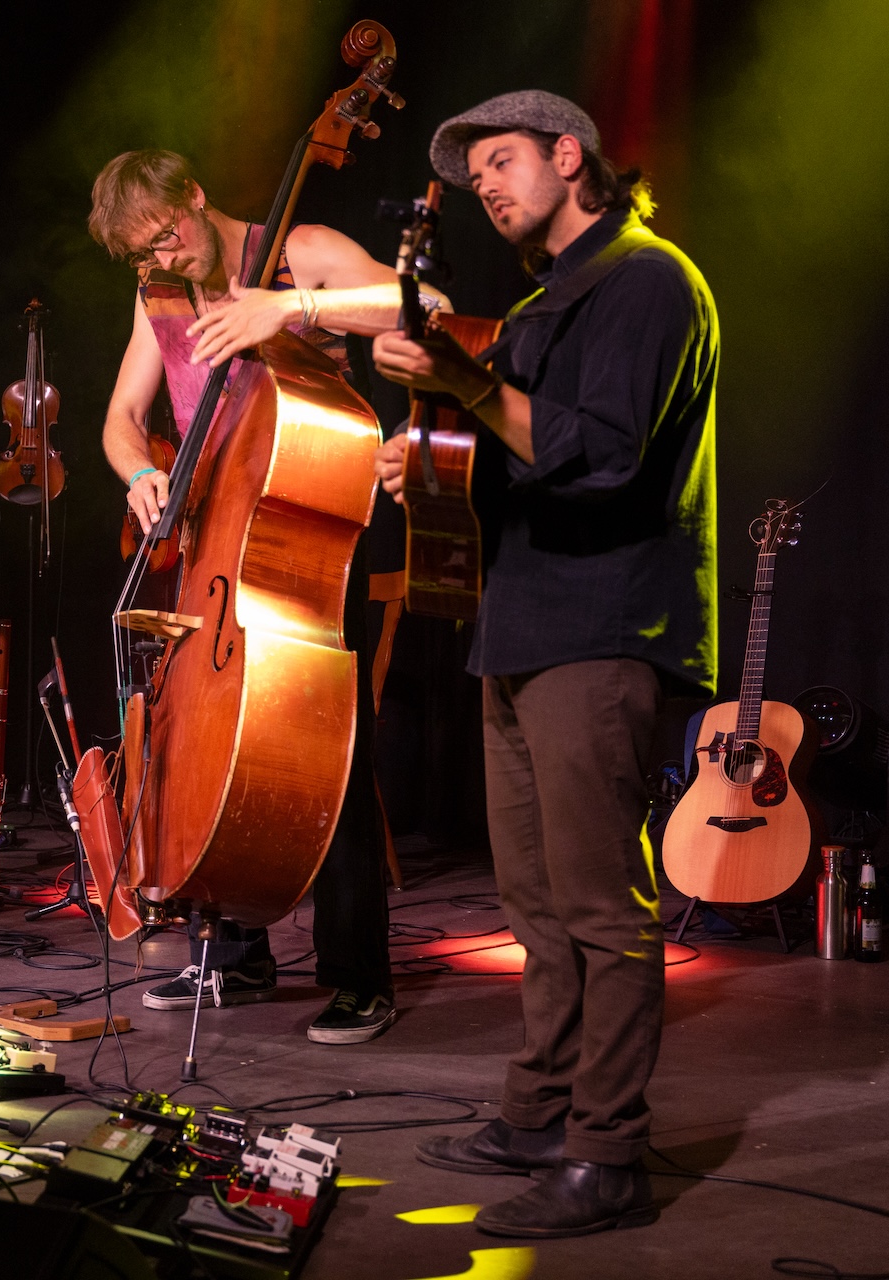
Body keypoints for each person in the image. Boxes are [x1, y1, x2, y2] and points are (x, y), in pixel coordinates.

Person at [373, 92, 717, 1238]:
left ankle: (607, 1154)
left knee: (602, 904)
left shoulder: (647, 280)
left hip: (604, 623)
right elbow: (507, 451)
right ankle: (540, 1111)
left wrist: (462, 384)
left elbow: (604, 457)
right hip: (520, 623)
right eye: (475, 174)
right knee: (533, 897)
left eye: (504, 160)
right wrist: (425, 453)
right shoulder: (538, 306)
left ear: (571, 156)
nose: (487, 185)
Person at [89, 149, 443, 1044]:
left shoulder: (299, 251)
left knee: (328, 748)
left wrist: (290, 308)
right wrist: (139, 472)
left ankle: (359, 975)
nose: (165, 258)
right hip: (213, 537)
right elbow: (122, 417)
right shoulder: (160, 292)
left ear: (195, 193)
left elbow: (425, 307)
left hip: (306, 528)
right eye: (144, 252)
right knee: (206, 740)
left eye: (167, 235)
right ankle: (235, 954)